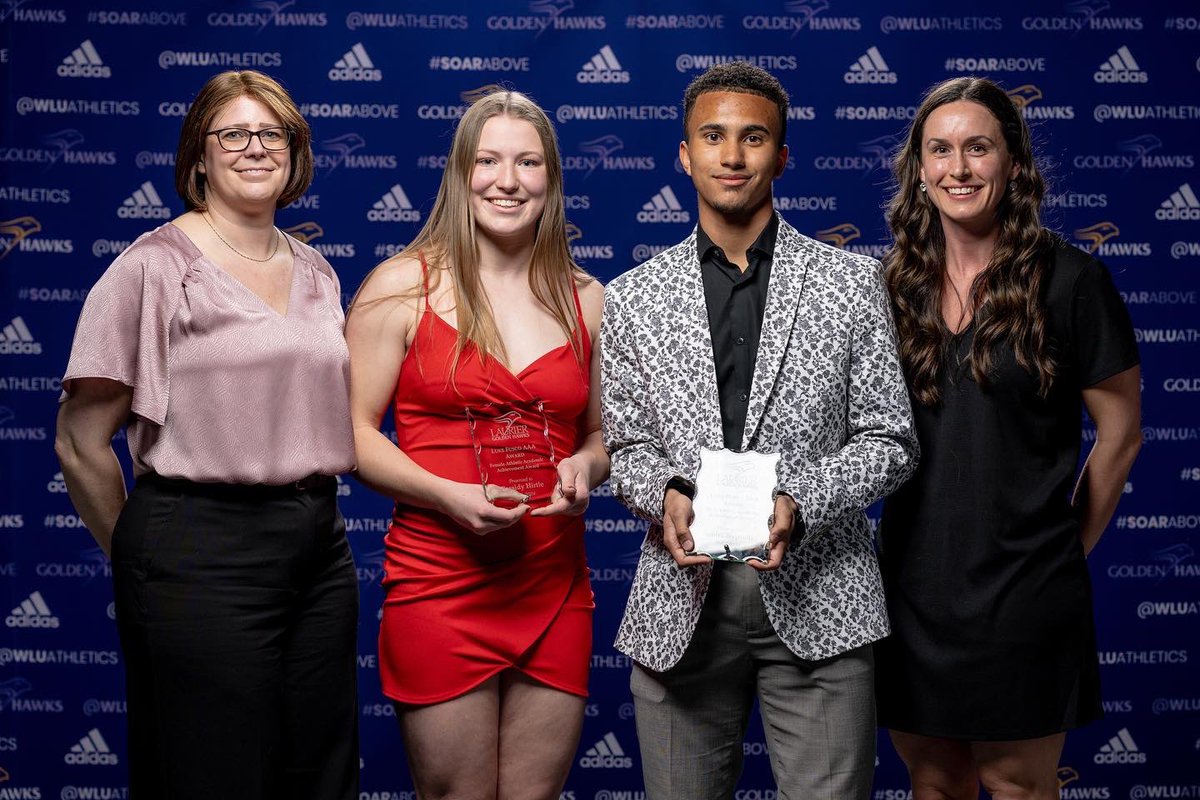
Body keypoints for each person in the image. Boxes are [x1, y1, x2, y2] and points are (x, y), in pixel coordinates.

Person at [600, 61, 918, 800]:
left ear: (782, 155)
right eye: (712, 137)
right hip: (681, 606)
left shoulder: (851, 283)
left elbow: (890, 438)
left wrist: (801, 498)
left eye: (753, 137)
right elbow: (628, 450)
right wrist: (666, 491)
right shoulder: (633, 297)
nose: (732, 155)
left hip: (821, 596)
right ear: (685, 154)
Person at [54, 70, 358, 800]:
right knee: (213, 776)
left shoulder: (316, 269)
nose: (255, 148)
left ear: (294, 151)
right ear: (199, 155)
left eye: (272, 133)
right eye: (233, 134)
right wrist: (147, 557)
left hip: (318, 542)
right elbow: (80, 441)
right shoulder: (155, 267)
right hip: (198, 543)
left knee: (319, 772)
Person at [876, 76, 1143, 799]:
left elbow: (1120, 435)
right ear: (920, 170)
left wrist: (1062, 548)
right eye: (940, 150)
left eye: (978, 148)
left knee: (1019, 783)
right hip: (911, 588)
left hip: (1026, 591)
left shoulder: (1073, 281)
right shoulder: (888, 288)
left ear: (1014, 165)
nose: (958, 168)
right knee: (934, 783)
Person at [344, 90, 607, 800]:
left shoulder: (587, 298)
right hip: (438, 581)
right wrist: (446, 495)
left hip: (552, 583)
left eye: (527, 162)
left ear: (550, 178)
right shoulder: (399, 287)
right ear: (461, 175)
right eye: (488, 161)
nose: (507, 180)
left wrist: (585, 465)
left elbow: (600, 434)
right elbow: (351, 433)